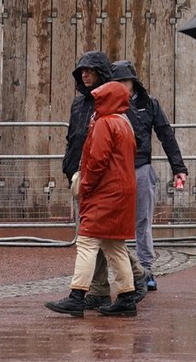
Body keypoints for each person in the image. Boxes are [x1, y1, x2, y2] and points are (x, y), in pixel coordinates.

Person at [46, 79, 139, 319]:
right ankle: (127, 297)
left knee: (87, 242)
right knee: (114, 244)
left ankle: (77, 296)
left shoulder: (105, 123)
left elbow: (97, 161)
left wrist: (85, 185)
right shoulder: (124, 123)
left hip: (104, 191)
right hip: (122, 191)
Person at [62, 50, 147, 306]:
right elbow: (74, 137)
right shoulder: (84, 105)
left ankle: (91, 291)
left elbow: (108, 153)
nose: (85, 75)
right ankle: (115, 292)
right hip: (92, 176)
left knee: (92, 238)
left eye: (90, 70)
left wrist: (90, 180)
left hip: (101, 181)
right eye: (82, 71)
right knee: (108, 241)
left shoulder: (111, 112)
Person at [111, 59, 188, 291]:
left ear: (133, 82)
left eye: (125, 81)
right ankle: (125, 271)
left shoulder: (149, 104)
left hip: (141, 167)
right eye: (118, 81)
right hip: (116, 170)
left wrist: (179, 168)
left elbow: (166, 134)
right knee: (113, 225)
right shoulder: (107, 105)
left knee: (143, 221)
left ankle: (145, 269)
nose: (122, 85)